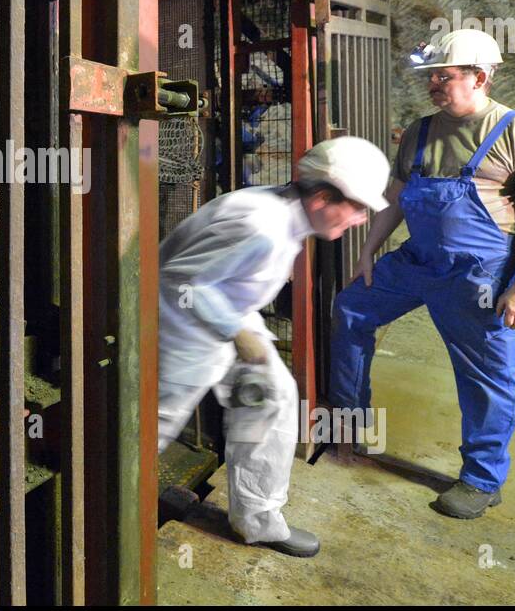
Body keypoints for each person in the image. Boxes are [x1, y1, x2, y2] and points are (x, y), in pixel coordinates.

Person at [329, 28, 515, 519]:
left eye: (444, 75)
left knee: (486, 376)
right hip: (419, 260)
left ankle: (481, 479)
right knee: (352, 306)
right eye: (431, 76)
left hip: (481, 274)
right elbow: (397, 198)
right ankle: (347, 424)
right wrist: (369, 248)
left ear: (480, 77)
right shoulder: (419, 130)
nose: (433, 84)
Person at [158, 136, 391, 556]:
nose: (359, 219)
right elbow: (180, 282)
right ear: (321, 197)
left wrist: (239, 329)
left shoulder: (282, 213)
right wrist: (237, 331)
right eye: (357, 207)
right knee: (147, 428)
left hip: (222, 315)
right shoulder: (260, 226)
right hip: (178, 331)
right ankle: (102, 518)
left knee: (273, 397)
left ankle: (258, 520)